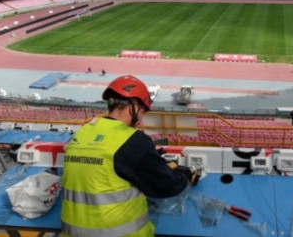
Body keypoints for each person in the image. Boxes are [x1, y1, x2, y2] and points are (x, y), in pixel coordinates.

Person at [61, 75, 199, 236]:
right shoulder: (133, 140)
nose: (140, 119)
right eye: (142, 111)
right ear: (133, 106)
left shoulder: (82, 133)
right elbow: (168, 186)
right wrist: (182, 175)